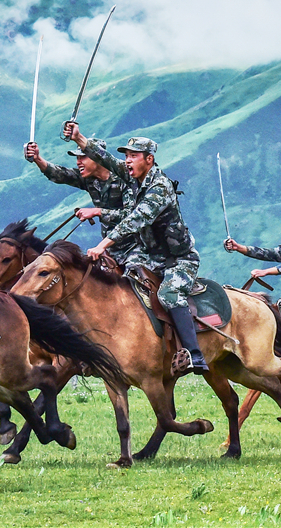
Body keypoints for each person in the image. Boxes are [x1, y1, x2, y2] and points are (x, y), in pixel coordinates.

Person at [65, 124, 207, 374]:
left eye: (133, 156)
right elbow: (105, 158)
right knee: (118, 283)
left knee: (169, 296)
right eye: (126, 156)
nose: (127, 161)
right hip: (150, 256)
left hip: (179, 260)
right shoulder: (133, 176)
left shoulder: (160, 187)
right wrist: (78, 138)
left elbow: (135, 220)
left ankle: (195, 355)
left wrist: (102, 244)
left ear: (148, 159)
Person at [24, 139, 137, 263]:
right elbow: (60, 174)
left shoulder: (126, 179)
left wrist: (97, 212)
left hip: (137, 248)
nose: (78, 162)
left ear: (98, 158)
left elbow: (132, 217)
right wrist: (37, 158)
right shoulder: (89, 179)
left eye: (82, 158)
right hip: (110, 249)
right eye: (77, 158)